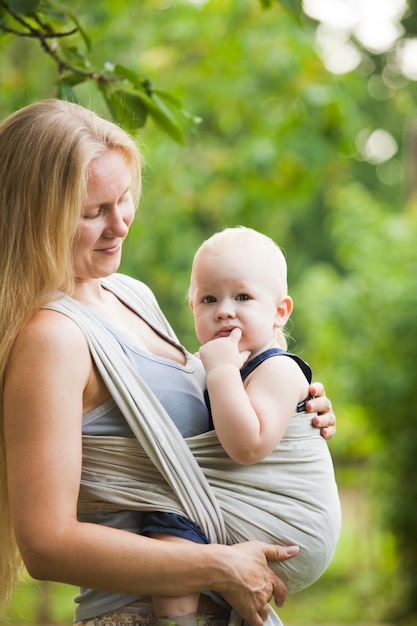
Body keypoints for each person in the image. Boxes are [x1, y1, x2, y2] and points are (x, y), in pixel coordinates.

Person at [0, 99, 337, 626]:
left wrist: (288, 409)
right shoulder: (53, 338)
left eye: (125, 199)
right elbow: (46, 543)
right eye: (94, 213)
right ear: (37, 214)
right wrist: (217, 564)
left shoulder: (126, 292)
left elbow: (194, 422)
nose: (121, 225)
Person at [141, 227, 341, 624]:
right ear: (192, 306)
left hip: (292, 529)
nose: (224, 310)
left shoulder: (278, 369)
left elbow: (246, 446)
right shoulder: (221, 367)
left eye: (243, 297)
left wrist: (220, 373)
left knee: (168, 521)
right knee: (166, 532)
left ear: (279, 311)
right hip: (256, 521)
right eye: (209, 299)